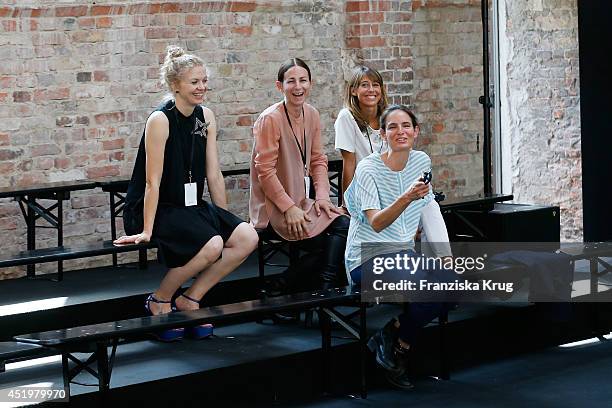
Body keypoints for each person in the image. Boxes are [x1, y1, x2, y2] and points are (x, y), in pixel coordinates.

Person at [115, 46, 259, 341]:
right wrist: (145, 229)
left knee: (247, 237)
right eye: (194, 82)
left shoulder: (205, 115)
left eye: (204, 81)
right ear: (175, 86)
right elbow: (151, 182)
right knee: (212, 244)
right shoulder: (160, 119)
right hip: (157, 206)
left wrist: (222, 216)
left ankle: (190, 299)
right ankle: (160, 298)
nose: (202, 87)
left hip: (190, 206)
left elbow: (214, 172)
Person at [344, 105, 455, 389]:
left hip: (403, 255)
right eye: (392, 127)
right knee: (425, 287)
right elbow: (377, 223)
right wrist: (406, 197)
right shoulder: (368, 168)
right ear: (382, 134)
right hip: (366, 258)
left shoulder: (421, 161)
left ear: (416, 132)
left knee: (452, 285)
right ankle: (397, 349)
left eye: (406, 125)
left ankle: (395, 338)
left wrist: (445, 257)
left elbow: (428, 207)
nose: (400, 131)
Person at [249, 58, 349, 290]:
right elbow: (265, 171)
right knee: (332, 241)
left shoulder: (312, 114)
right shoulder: (270, 119)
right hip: (274, 207)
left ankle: (287, 285)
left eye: (303, 80)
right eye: (291, 81)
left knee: (346, 227)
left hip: (303, 201)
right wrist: (288, 207)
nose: (298, 86)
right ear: (279, 86)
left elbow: (318, 160)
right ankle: (312, 288)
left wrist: (323, 197)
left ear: (310, 84)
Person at [334, 65, 445, 256]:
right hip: (369, 193)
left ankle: (441, 261)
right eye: (364, 85)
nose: (371, 90)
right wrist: (346, 204)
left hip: (394, 187)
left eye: (375, 85)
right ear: (353, 90)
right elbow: (349, 163)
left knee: (429, 204)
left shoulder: (389, 116)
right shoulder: (347, 117)